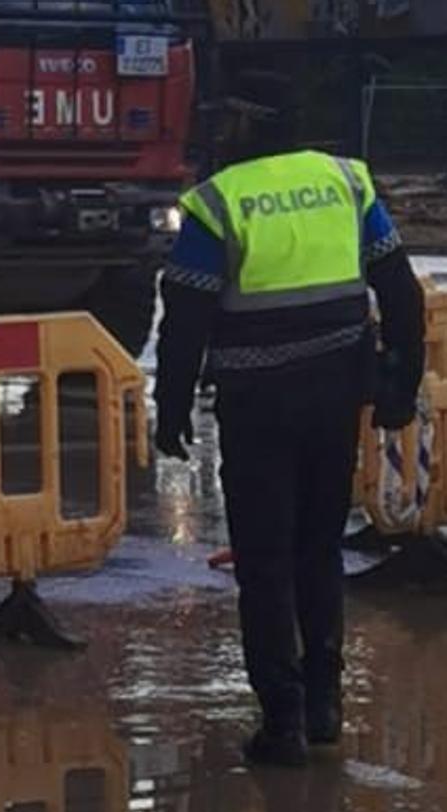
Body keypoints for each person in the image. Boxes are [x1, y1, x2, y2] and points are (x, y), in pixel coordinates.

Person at [155, 71, 425, 767]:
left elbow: (183, 321)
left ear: (252, 123)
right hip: (336, 398)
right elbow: (399, 290)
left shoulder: (217, 202)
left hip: (257, 410)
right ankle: (323, 706)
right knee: (317, 550)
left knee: (266, 562)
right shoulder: (345, 181)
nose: (218, 132)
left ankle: (282, 721)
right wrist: (400, 380)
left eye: (228, 119)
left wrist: (171, 407)